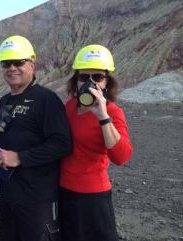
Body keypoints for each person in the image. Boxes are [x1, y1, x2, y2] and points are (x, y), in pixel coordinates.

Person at [0, 35, 72, 241]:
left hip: (38, 199)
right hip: (8, 196)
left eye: (18, 62)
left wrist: (20, 158)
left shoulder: (47, 99)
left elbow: (62, 143)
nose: (12, 68)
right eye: (6, 63)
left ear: (32, 65)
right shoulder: (4, 101)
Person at [59, 44, 133, 241]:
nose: (90, 83)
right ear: (76, 81)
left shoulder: (113, 112)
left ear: (107, 81)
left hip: (93, 196)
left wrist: (103, 116)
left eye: (98, 77)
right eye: (84, 77)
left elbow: (121, 156)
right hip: (64, 191)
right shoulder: (69, 107)